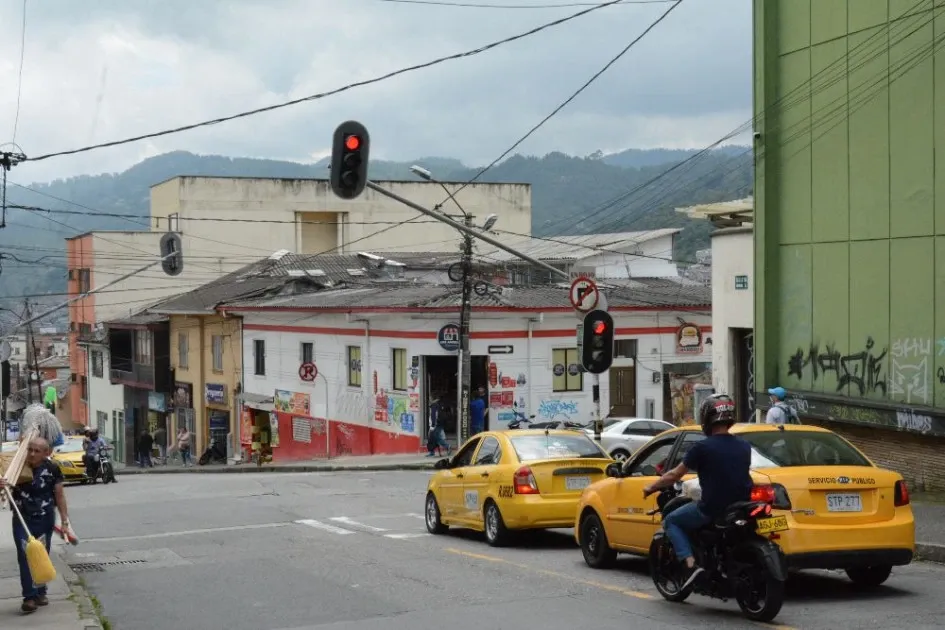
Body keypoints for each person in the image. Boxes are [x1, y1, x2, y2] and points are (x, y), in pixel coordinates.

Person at [643, 393, 752, 591]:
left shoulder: (702, 447)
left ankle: (690, 564)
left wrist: (651, 487)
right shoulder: (744, 446)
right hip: (741, 506)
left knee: (671, 521)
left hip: (712, 508)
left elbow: (674, 475)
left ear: (707, 418)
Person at [0, 437, 72, 614]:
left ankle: (40, 591)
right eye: (29, 449)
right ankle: (29, 597)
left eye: (37, 451)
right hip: (22, 518)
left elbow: (60, 495)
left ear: (46, 453)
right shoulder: (16, 467)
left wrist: (64, 521)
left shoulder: (52, 468)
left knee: (40, 554)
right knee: (25, 555)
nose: (32, 454)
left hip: (45, 519)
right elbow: (4, 491)